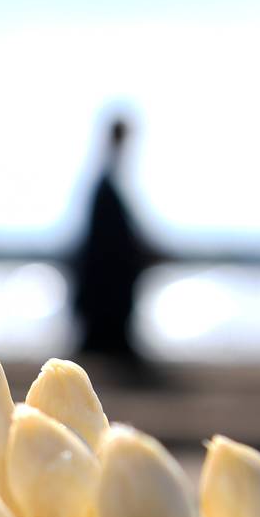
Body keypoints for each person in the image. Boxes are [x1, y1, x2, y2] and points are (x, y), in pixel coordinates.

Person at [71, 116, 156, 360]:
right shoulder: (105, 187)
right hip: (103, 297)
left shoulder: (107, 185)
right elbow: (107, 246)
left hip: (104, 296)